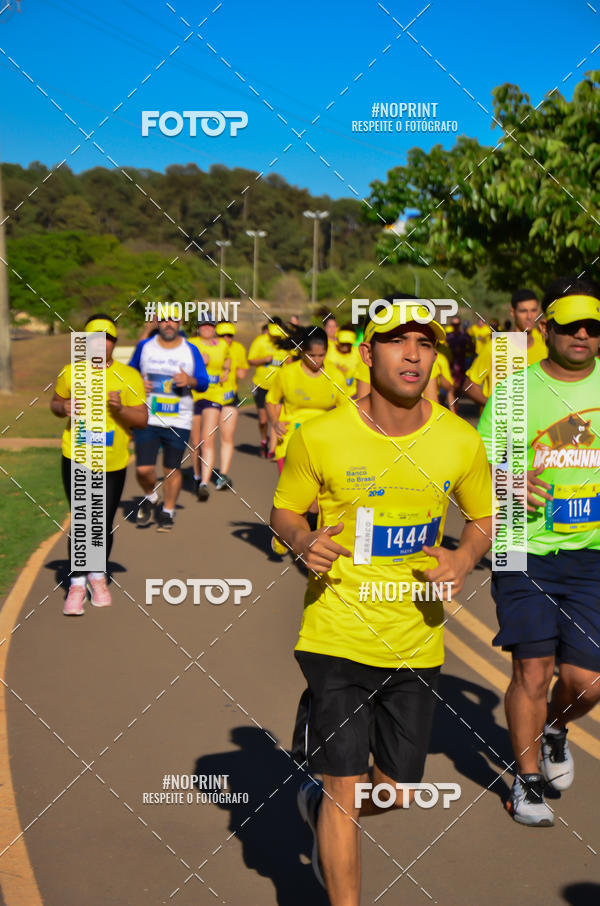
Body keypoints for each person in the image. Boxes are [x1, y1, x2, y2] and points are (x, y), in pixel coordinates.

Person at [271, 301, 493, 903]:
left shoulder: (459, 439)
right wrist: (301, 540)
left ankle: (316, 801)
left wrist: (463, 558)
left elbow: (483, 517)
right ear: (368, 353)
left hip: (416, 640)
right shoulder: (320, 434)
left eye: (426, 342)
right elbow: (285, 509)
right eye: (398, 341)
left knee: (393, 792)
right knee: (344, 789)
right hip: (335, 634)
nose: (414, 354)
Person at [478, 277, 600, 827]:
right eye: (571, 326)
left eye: (592, 327)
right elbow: (479, 469)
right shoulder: (514, 392)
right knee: (532, 668)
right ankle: (526, 783)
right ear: (545, 329)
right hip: (520, 546)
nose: (582, 335)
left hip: (592, 553)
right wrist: (509, 482)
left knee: (586, 682)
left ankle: (555, 727)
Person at [51, 314, 148, 615]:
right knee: (83, 519)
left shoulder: (129, 376)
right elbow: (55, 404)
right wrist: (63, 406)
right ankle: (77, 584)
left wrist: (120, 410)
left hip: (112, 460)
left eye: (108, 338)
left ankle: (97, 576)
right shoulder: (71, 373)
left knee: (102, 521)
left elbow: (142, 419)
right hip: (76, 454)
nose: (101, 344)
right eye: (95, 338)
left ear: (114, 343)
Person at [129, 306, 208, 529]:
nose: (168, 323)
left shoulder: (190, 350)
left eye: (173, 319)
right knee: (143, 469)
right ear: (158, 322)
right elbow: (129, 372)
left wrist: (189, 381)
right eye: (164, 319)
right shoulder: (145, 347)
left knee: (171, 468)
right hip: (148, 417)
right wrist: (138, 382)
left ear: (179, 322)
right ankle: (151, 496)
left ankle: (168, 511)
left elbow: (203, 382)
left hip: (178, 418)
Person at [465, 289, 546, 406]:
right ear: (512, 312)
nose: (529, 316)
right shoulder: (495, 347)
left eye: (533, 310)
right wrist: (494, 408)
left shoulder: (545, 347)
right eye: (523, 311)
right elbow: (469, 385)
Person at [188, 316, 231, 501]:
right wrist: (198, 363)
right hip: (193, 395)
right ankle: (197, 477)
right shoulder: (191, 344)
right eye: (203, 325)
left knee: (208, 440)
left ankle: (204, 483)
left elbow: (227, 360)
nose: (206, 328)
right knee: (195, 442)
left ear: (214, 328)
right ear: (198, 328)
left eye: (210, 325)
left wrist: (226, 371)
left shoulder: (222, 345)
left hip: (214, 395)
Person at [247, 317, 289, 458]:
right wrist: (263, 360)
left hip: (278, 387)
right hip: (261, 385)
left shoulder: (285, 342)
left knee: (275, 418)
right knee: (263, 420)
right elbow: (250, 360)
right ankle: (264, 440)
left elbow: (291, 361)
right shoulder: (260, 341)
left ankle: (273, 450)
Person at [215, 321, 249, 491]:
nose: (226, 338)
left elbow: (243, 371)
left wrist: (239, 371)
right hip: (208, 397)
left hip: (229, 397)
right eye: (223, 335)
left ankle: (223, 474)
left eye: (230, 335)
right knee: (203, 440)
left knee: (227, 436)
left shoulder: (238, 349)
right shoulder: (209, 348)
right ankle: (200, 475)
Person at [324, 326, 363, 397]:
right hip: (331, 395)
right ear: (337, 341)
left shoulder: (358, 353)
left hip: (352, 395)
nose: (345, 346)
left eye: (348, 343)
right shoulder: (328, 350)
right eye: (343, 343)